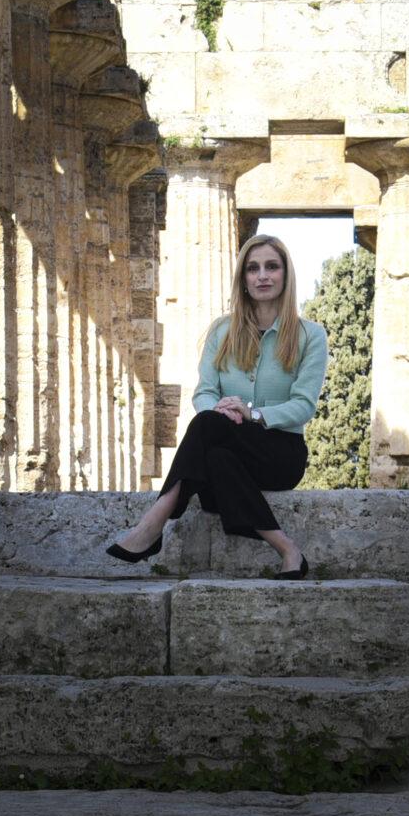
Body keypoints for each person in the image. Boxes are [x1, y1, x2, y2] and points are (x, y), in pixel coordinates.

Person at [106, 232, 327, 577]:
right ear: (243, 279)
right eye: (253, 269)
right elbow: (204, 392)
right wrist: (223, 410)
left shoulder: (311, 335)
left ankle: (154, 522)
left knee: (208, 430)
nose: (262, 276)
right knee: (216, 456)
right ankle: (288, 550)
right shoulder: (221, 332)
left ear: (286, 274)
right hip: (227, 443)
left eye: (272, 266)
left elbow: (303, 406)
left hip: (280, 453)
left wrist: (252, 414)